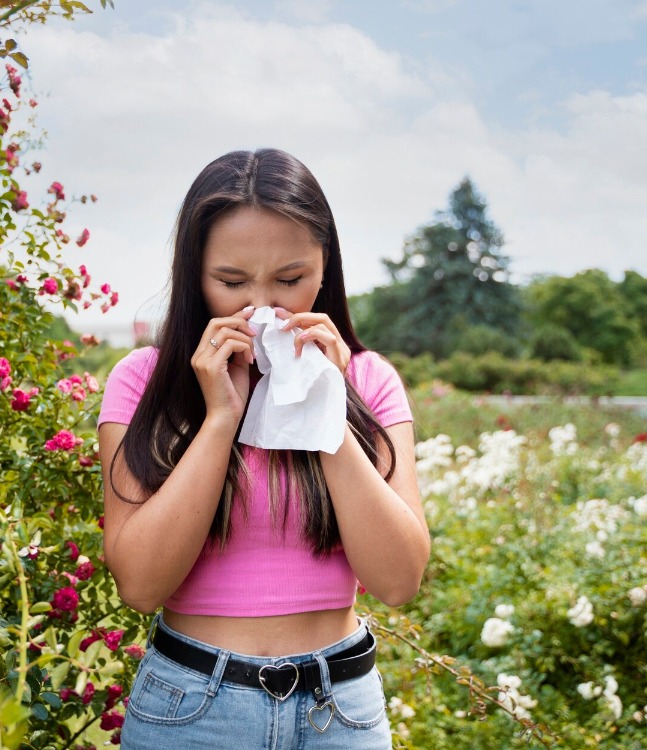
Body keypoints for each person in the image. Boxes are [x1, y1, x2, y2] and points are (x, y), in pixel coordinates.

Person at [97, 148, 429, 749]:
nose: (261, 307)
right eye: (231, 282)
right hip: (192, 709)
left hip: (340, 711)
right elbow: (140, 585)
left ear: (325, 266)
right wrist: (222, 417)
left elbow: (400, 578)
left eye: (290, 279)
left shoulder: (369, 379)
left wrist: (325, 412)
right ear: (195, 274)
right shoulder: (144, 383)